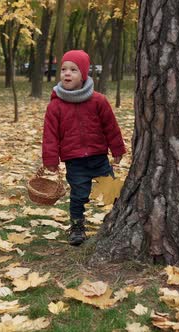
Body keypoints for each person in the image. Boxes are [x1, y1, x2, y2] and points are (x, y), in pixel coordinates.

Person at [42, 50, 126, 246]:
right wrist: (50, 160)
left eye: (73, 70)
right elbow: (50, 135)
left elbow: (111, 127)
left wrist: (117, 149)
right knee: (78, 195)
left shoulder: (98, 101)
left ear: (85, 74)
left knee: (111, 190)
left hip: (98, 158)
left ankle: (118, 220)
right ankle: (77, 226)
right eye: (63, 70)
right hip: (75, 161)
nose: (67, 74)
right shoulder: (55, 106)